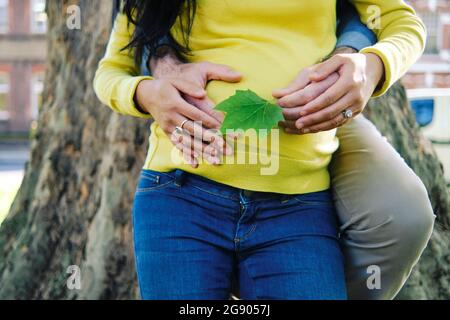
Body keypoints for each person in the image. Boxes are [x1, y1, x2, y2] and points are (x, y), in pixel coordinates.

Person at [94, 0, 435, 300]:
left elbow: (402, 23)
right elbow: (111, 72)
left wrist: (373, 65)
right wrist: (146, 94)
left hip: (297, 205)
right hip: (181, 193)